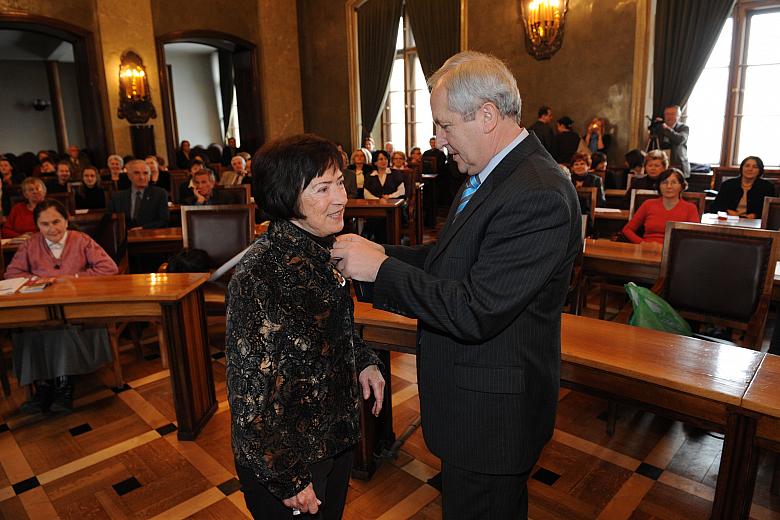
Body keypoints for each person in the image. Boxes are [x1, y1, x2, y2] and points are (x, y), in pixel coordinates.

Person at [331, 51, 581, 519]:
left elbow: (474, 308)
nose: (439, 140)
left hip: (493, 416)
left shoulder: (537, 192)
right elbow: (450, 263)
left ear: (487, 115)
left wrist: (380, 270)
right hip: (473, 403)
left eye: (445, 125)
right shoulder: (493, 174)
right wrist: (381, 258)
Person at [226, 133, 385, 519]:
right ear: (285, 195)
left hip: (332, 438)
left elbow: (331, 331)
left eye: (340, 183)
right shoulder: (259, 273)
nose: (341, 198)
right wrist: (288, 477)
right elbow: (250, 395)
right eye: (322, 188)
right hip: (290, 461)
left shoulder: (322, 247)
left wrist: (363, 358)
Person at [5, 199, 118, 413]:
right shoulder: (30, 244)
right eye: (44, 224)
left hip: (77, 309)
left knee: (59, 327)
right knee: (27, 329)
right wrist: (37, 280)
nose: (52, 229)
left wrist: (75, 277)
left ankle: (64, 387)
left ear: (66, 221)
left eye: (56, 222)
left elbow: (108, 268)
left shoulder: (81, 240)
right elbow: (12, 273)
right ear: (37, 226)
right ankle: (43, 388)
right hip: (42, 306)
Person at [622, 168, 699, 244]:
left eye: (674, 182)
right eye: (664, 183)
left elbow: (695, 236)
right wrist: (643, 243)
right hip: (647, 250)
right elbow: (627, 229)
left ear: (681, 186)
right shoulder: (648, 204)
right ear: (659, 186)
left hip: (676, 251)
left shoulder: (690, 208)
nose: (669, 186)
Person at [107, 159, 169, 230]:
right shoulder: (117, 197)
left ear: (149, 177)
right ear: (129, 176)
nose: (141, 177)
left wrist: (143, 228)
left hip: (150, 234)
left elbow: (164, 220)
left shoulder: (159, 194)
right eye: (136, 173)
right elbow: (109, 219)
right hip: (124, 236)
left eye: (145, 173)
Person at [658, 105, 690, 178]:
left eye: (672, 114)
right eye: (667, 114)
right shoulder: (660, 128)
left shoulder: (683, 128)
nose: (669, 116)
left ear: (679, 116)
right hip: (663, 164)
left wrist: (667, 129)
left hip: (678, 165)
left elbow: (679, 140)